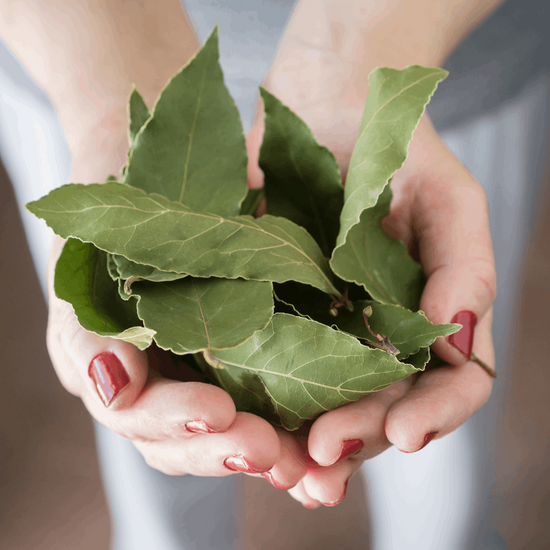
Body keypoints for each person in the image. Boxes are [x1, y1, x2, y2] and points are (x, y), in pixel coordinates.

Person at [0, 0, 547, 548]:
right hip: (69, 47)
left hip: (443, 43)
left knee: (442, 475)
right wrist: (102, 81)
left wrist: (351, 43)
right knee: (158, 437)